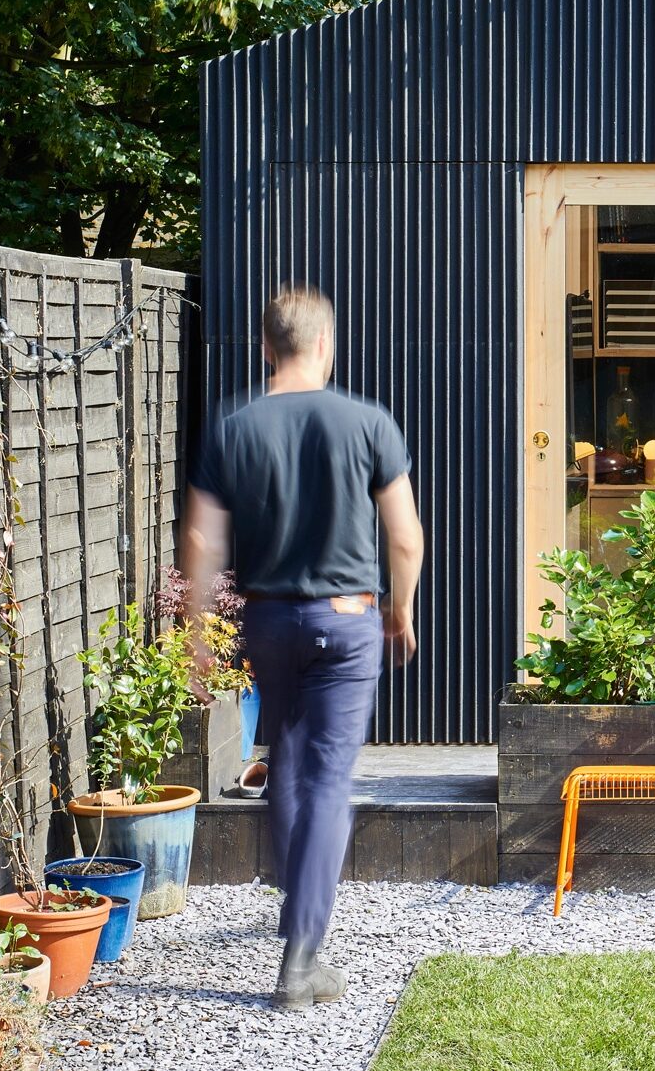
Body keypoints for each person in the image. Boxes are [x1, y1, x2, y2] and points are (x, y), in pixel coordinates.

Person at [182, 285, 425, 1010]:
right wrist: (400, 608)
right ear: (324, 345)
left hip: (268, 622)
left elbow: (201, 538)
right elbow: (405, 536)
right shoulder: (367, 421)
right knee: (326, 778)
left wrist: (197, 632)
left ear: (266, 348)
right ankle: (301, 957)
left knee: (284, 761)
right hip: (347, 623)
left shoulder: (234, 426)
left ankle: (297, 918)